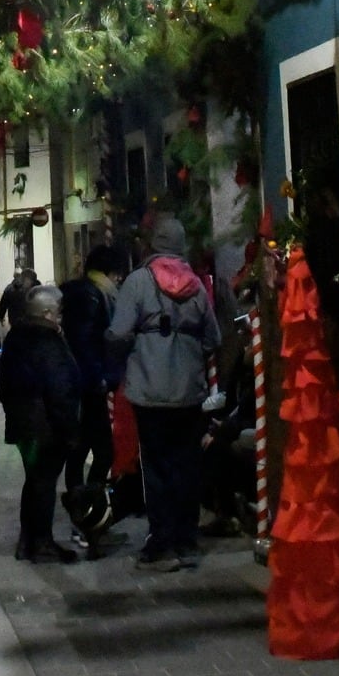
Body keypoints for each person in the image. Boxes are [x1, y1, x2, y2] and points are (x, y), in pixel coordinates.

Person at [107, 216, 219, 572]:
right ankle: (187, 542)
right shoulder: (197, 287)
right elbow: (213, 339)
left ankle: (162, 544)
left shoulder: (138, 282)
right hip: (188, 393)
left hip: (149, 392)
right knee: (187, 466)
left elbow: (119, 332)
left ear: (153, 244)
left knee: (156, 468)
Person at [0, 283, 80, 563]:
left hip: (23, 425)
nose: (61, 317)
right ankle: (41, 542)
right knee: (43, 483)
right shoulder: (47, 340)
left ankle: (27, 540)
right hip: (46, 427)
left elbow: (4, 386)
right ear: (46, 313)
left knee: (34, 481)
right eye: (59, 311)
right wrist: (69, 428)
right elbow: (60, 388)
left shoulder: (16, 338)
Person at [60, 245, 124, 520]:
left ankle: (82, 503)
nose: (119, 280)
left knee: (80, 449)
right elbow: (86, 341)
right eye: (117, 274)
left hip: (76, 385)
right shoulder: (95, 296)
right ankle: (88, 507)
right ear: (109, 272)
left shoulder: (80, 291)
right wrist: (99, 376)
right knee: (102, 451)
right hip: (89, 385)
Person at [200, 317, 257, 535]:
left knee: (216, 449)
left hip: (244, 427)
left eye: (250, 343)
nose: (246, 347)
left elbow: (248, 413)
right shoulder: (241, 368)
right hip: (232, 422)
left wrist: (221, 431)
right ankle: (217, 509)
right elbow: (229, 399)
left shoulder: (259, 378)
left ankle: (225, 514)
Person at [0, 266, 37, 331]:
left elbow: (3, 305)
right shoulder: (28, 288)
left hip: (14, 320)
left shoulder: (8, 288)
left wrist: (1, 317)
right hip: (26, 320)